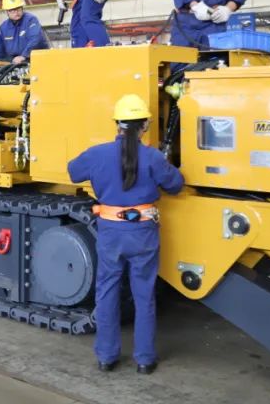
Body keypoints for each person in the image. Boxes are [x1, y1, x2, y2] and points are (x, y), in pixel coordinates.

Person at [68, 94, 185, 375]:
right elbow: (176, 185)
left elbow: (73, 172)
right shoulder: (153, 157)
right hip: (143, 232)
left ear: (117, 124)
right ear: (145, 125)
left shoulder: (98, 154)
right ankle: (144, 359)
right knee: (144, 294)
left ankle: (107, 357)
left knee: (107, 291)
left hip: (111, 231)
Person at [0, 0, 49, 64]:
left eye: (18, 9)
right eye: (12, 10)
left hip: (37, 60)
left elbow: (35, 39)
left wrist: (24, 56)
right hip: (16, 63)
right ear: (7, 12)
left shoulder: (30, 20)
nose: (16, 13)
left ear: (22, 8)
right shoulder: (4, 27)